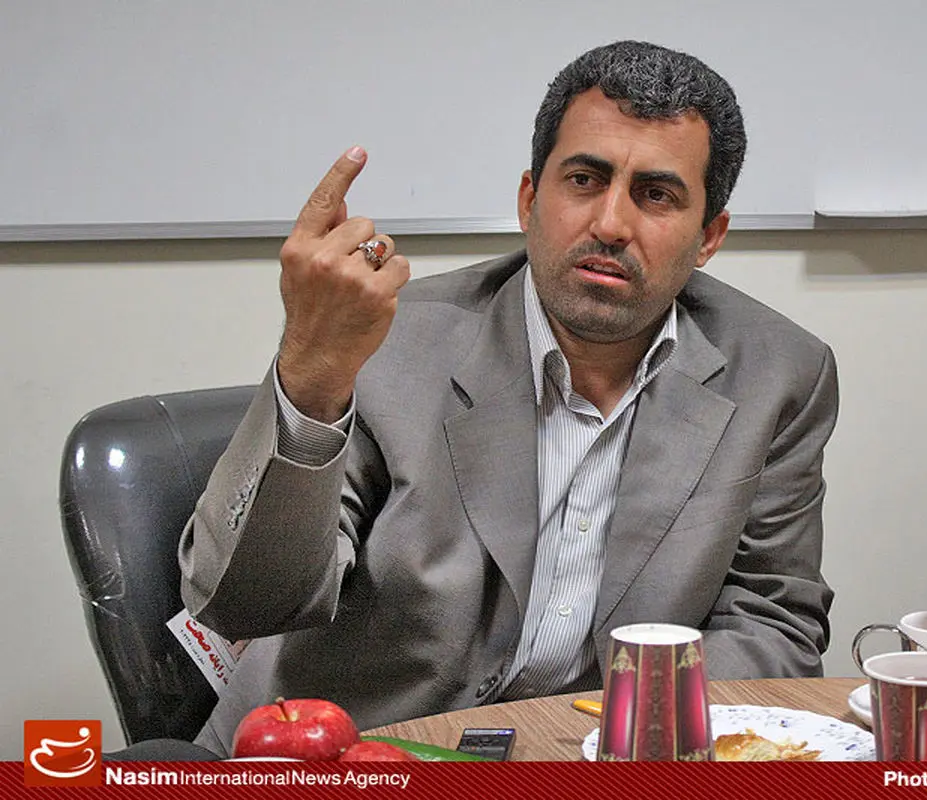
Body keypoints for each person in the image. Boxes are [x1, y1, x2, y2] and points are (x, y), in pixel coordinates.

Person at [179, 40, 838, 756]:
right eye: (584, 180)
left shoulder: (779, 373)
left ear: (708, 236)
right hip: (351, 752)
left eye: (656, 195)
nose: (611, 224)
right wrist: (311, 372)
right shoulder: (387, 342)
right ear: (529, 200)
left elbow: (773, 624)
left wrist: (615, 735)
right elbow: (246, 604)